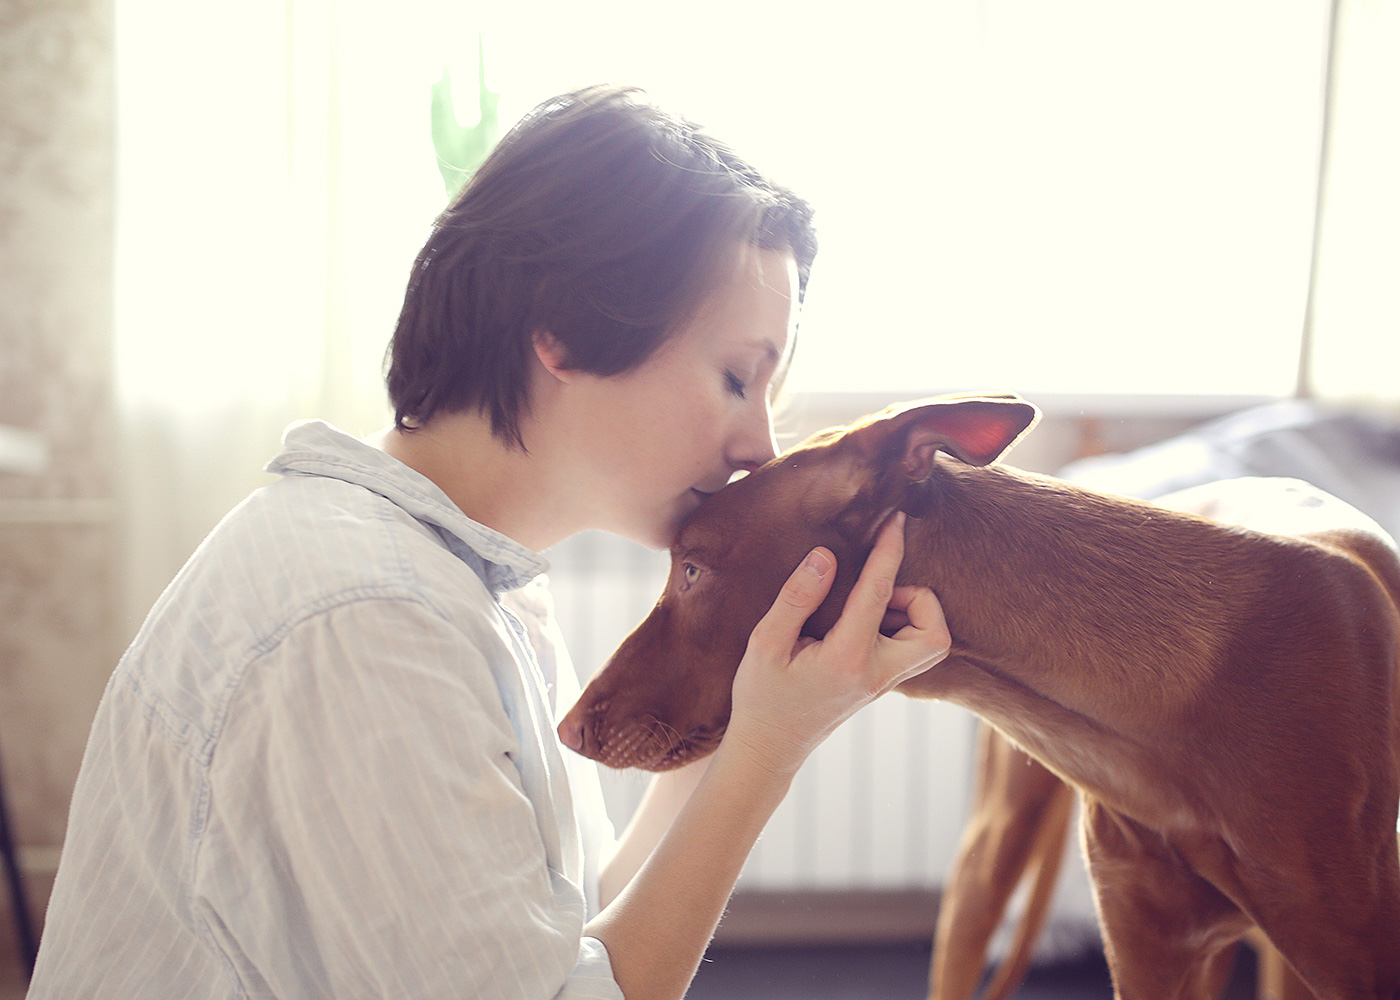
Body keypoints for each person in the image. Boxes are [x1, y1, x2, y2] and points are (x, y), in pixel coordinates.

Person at [28, 85, 950, 1000]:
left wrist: (744, 718)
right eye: (737, 378)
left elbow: (575, 945)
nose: (760, 446)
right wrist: (769, 755)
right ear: (564, 329)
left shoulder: (479, 587)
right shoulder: (370, 614)